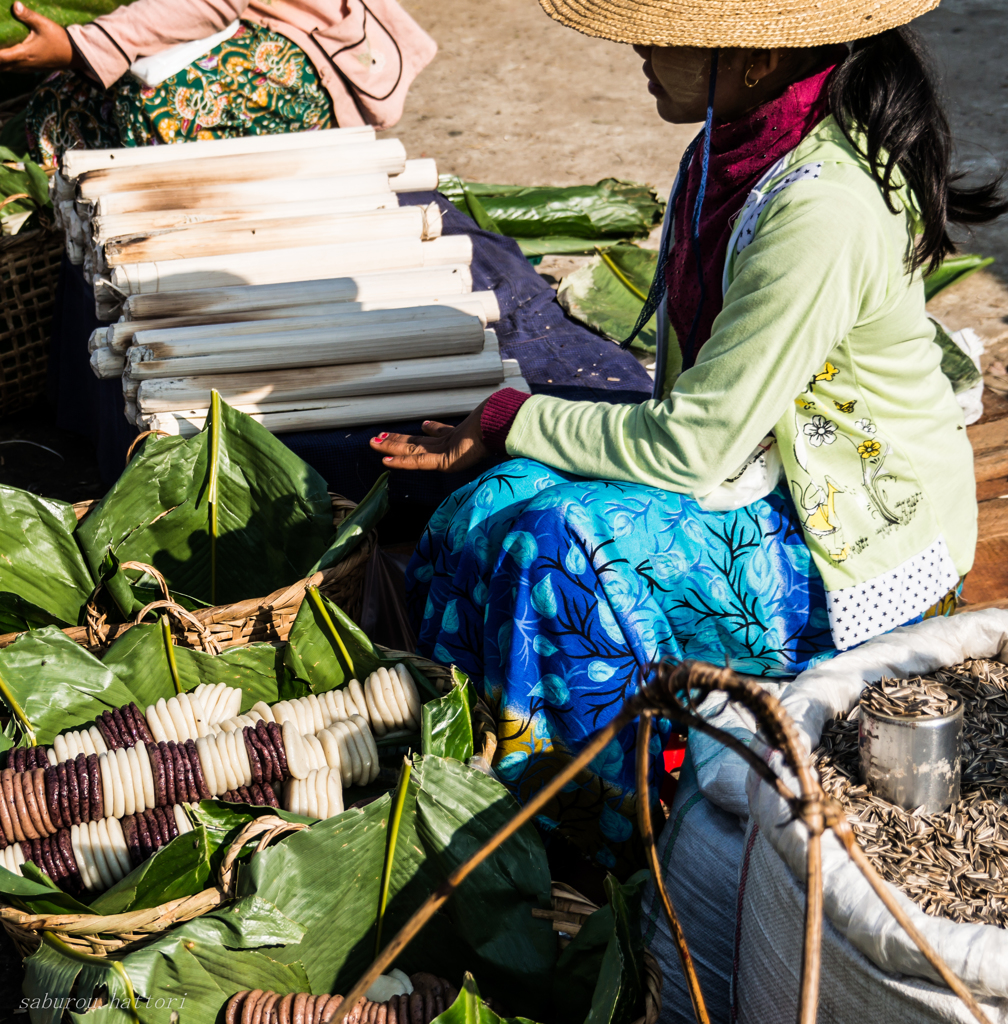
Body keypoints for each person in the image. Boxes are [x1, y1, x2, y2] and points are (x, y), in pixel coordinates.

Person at [369, 0, 1006, 875]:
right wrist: (509, 445)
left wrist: (511, 418)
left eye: (660, 28)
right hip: (762, 475)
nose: (637, 42)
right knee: (483, 506)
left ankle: (594, 856)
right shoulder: (727, 149)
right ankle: (450, 777)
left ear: (749, 59)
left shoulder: (822, 207)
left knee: (559, 551)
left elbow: (691, 447)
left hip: (852, 543)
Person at [0, 0, 435, 165]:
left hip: (300, 45)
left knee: (157, 107)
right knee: (58, 109)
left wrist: (80, 47)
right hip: (192, 29)